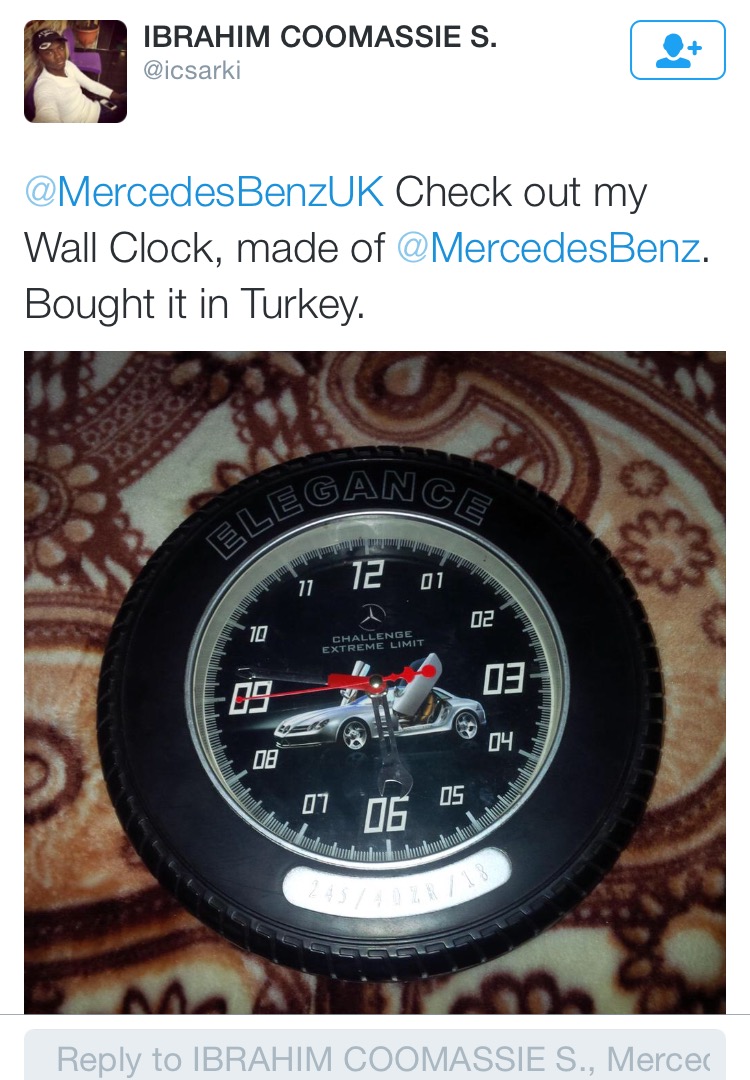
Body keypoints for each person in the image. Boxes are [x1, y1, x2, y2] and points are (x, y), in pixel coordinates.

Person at [31, 28, 126, 123]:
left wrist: (122, 98)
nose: (58, 56)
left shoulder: (68, 65)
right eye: (49, 52)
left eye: (60, 48)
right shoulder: (45, 85)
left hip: (94, 107)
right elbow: (46, 113)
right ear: (40, 57)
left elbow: (91, 85)